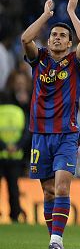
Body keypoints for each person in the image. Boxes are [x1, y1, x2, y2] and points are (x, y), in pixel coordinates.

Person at [20, 0, 80, 249]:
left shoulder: (75, 62)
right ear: (48, 41)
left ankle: (57, 240)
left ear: (68, 43)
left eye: (62, 36)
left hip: (67, 134)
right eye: (54, 35)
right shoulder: (38, 59)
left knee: (61, 186)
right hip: (40, 135)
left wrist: (71, 12)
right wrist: (46, 15)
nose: (58, 38)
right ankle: (54, 241)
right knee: (48, 192)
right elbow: (25, 39)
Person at [0, 91, 28, 222]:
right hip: (15, 156)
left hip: (1, 154)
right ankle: (15, 215)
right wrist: (17, 146)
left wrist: (4, 146)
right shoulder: (19, 112)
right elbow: (26, 134)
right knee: (13, 188)